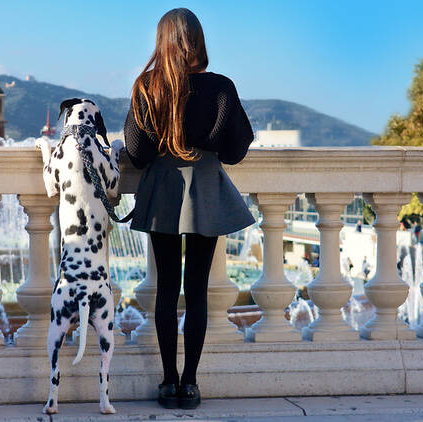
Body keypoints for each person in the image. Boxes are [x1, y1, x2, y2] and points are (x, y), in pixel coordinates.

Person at [124, 8, 255, 410]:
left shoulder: (148, 86)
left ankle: (167, 383)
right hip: (206, 190)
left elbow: (136, 152)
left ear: (162, 41)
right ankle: (190, 384)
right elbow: (235, 151)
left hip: (164, 188)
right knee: (196, 290)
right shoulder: (222, 88)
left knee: (167, 289)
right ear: (198, 40)